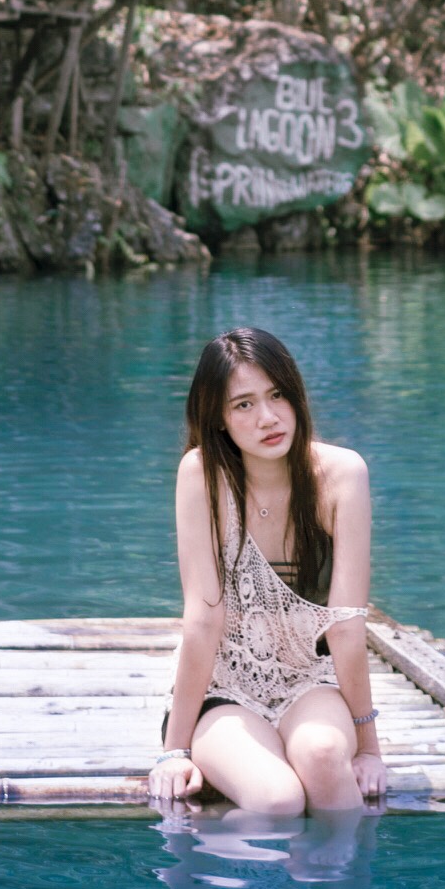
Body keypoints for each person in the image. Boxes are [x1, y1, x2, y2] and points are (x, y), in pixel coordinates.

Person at [149, 325, 387, 815]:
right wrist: (175, 753)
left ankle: (351, 868)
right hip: (225, 687)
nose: (268, 417)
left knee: (323, 757)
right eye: (244, 404)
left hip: (311, 680)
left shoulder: (343, 474)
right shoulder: (202, 475)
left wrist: (368, 750)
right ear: (218, 418)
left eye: (277, 395)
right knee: (277, 799)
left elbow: (345, 625)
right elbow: (203, 620)